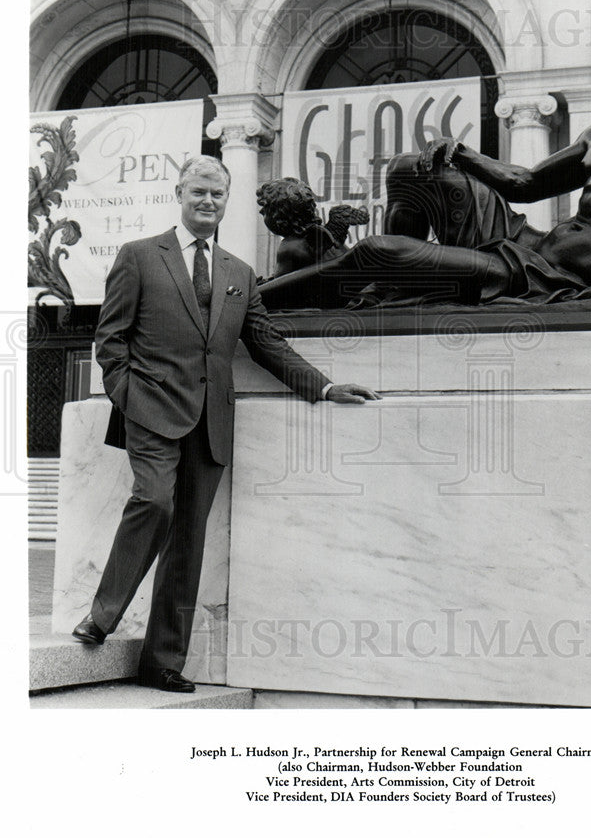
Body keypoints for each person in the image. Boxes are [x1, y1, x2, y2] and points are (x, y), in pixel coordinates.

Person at [72, 155, 379, 693]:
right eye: (198, 192)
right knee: (155, 501)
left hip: (211, 422)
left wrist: (324, 386)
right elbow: (110, 340)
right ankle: (103, 613)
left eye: (217, 194)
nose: (208, 202)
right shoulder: (140, 256)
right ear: (180, 193)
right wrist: (128, 396)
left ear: (226, 199)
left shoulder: (239, 272)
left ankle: (162, 661)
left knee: (188, 540)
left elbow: (264, 342)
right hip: (150, 410)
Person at [259, 0, 591, 309]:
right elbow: (525, 184)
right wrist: (460, 154)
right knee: (409, 172)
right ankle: (387, 296)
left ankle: (256, 303)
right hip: (526, 244)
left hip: (557, 278)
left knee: (376, 250)